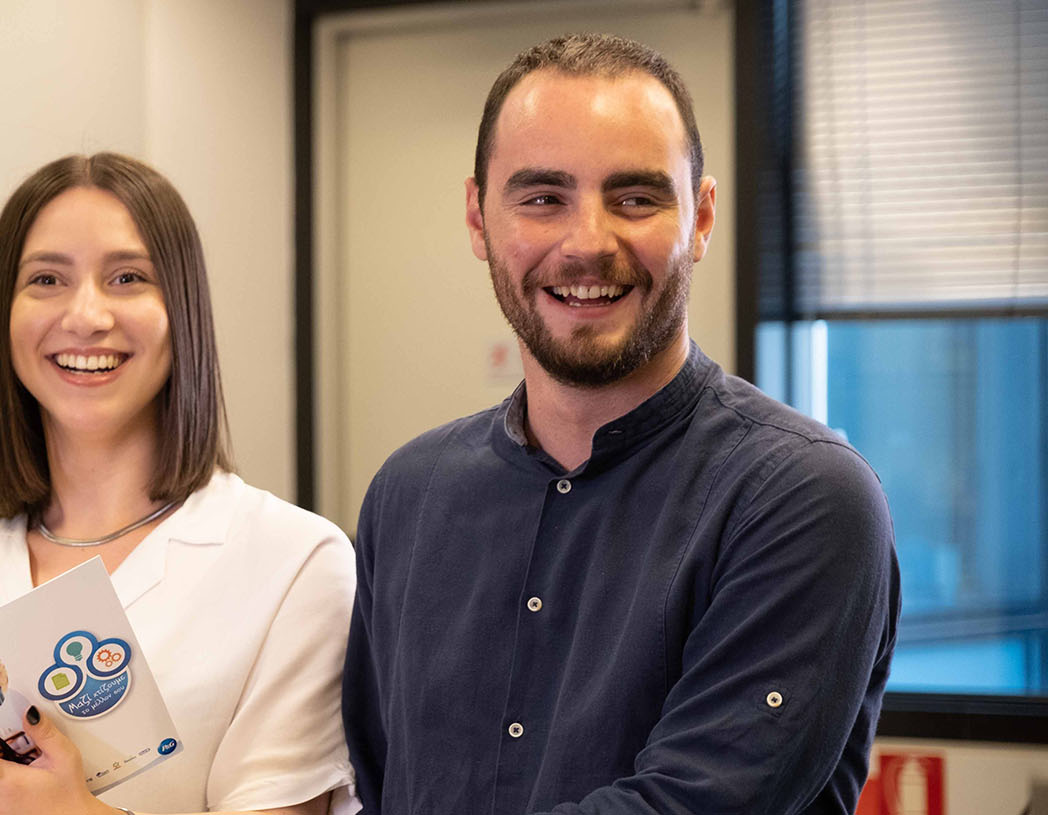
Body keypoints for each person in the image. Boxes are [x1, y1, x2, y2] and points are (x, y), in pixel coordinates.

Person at [341, 33, 899, 814]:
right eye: (543, 198)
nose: (588, 244)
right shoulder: (409, 494)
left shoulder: (801, 497)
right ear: (478, 218)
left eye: (635, 198)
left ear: (701, 218)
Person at [0, 153, 357, 815]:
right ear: (4, 314)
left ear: (183, 308)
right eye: (47, 279)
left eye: (128, 278)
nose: (87, 315)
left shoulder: (295, 563)